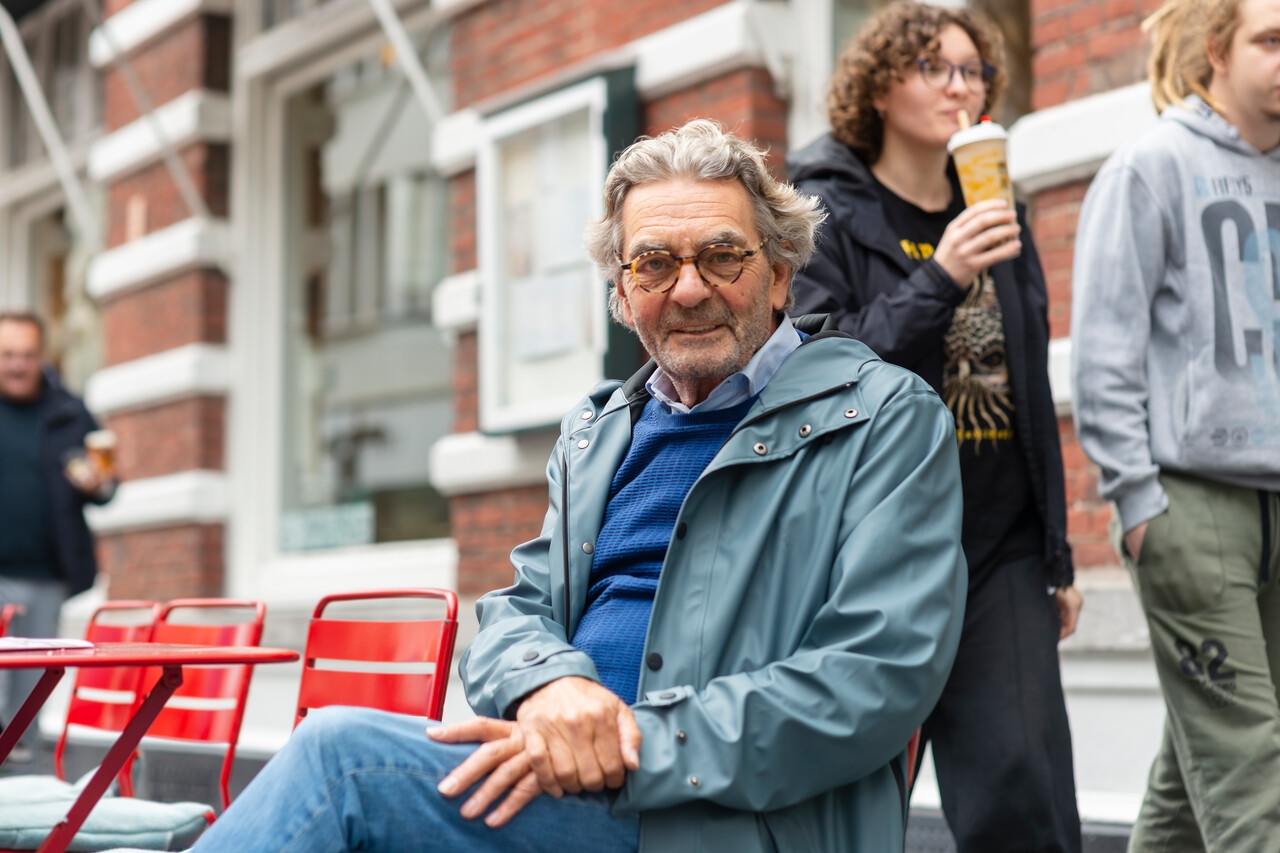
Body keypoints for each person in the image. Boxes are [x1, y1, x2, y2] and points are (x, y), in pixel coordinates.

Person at [189, 120, 967, 852]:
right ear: (624, 297)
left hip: (731, 822)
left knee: (343, 764)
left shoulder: (884, 418)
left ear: (778, 278)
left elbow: (875, 675)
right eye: (655, 263)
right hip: (563, 790)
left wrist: (627, 744)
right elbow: (514, 613)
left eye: (722, 256)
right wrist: (550, 686)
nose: (689, 288)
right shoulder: (599, 434)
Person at [786, 4, 1083, 851]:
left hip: (1000, 545)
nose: (961, 87)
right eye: (934, 68)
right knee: (856, 793)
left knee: (1021, 781)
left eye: (973, 71)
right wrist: (942, 276)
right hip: (875, 540)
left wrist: (1055, 548)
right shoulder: (824, 208)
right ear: (879, 88)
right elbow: (817, 364)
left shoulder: (998, 206)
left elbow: (1029, 385)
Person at [1071, 0, 1280, 847]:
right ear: (1215, 53)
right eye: (1271, 40)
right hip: (1192, 508)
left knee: (1197, 764)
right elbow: (1103, 356)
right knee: (1249, 762)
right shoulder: (1150, 168)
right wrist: (1139, 506)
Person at [0, 312, 115, 760]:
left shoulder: (69, 410)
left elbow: (105, 489)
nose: (17, 364)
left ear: (42, 356)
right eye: (8, 354)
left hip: (49, 573)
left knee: (29, 696)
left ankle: (17, 791)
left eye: (27, 354)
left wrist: (99, 483)